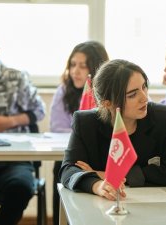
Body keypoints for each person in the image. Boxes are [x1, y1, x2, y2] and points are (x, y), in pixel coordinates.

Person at [59, 59, 166, 199]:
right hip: (103, 205)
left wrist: (107, 174)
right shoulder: (86, 123)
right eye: (132, 95)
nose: (144, 98)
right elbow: (68, 171)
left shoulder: (164, 118)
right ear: (107, 103)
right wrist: (97, 185)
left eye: (144, 87)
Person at [0, 26, 45, 225]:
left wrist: (9, 122)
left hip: (15, 159)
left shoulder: (16, 78)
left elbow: (39, 111)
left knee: (21, 187)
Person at [50, 41, 108, 225]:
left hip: (101, 153)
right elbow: (57, 129)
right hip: (73, 151)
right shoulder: (63, 91)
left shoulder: (107, 93)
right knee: (61, 166)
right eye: (73, 65)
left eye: (83, 66)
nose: (76, 71)